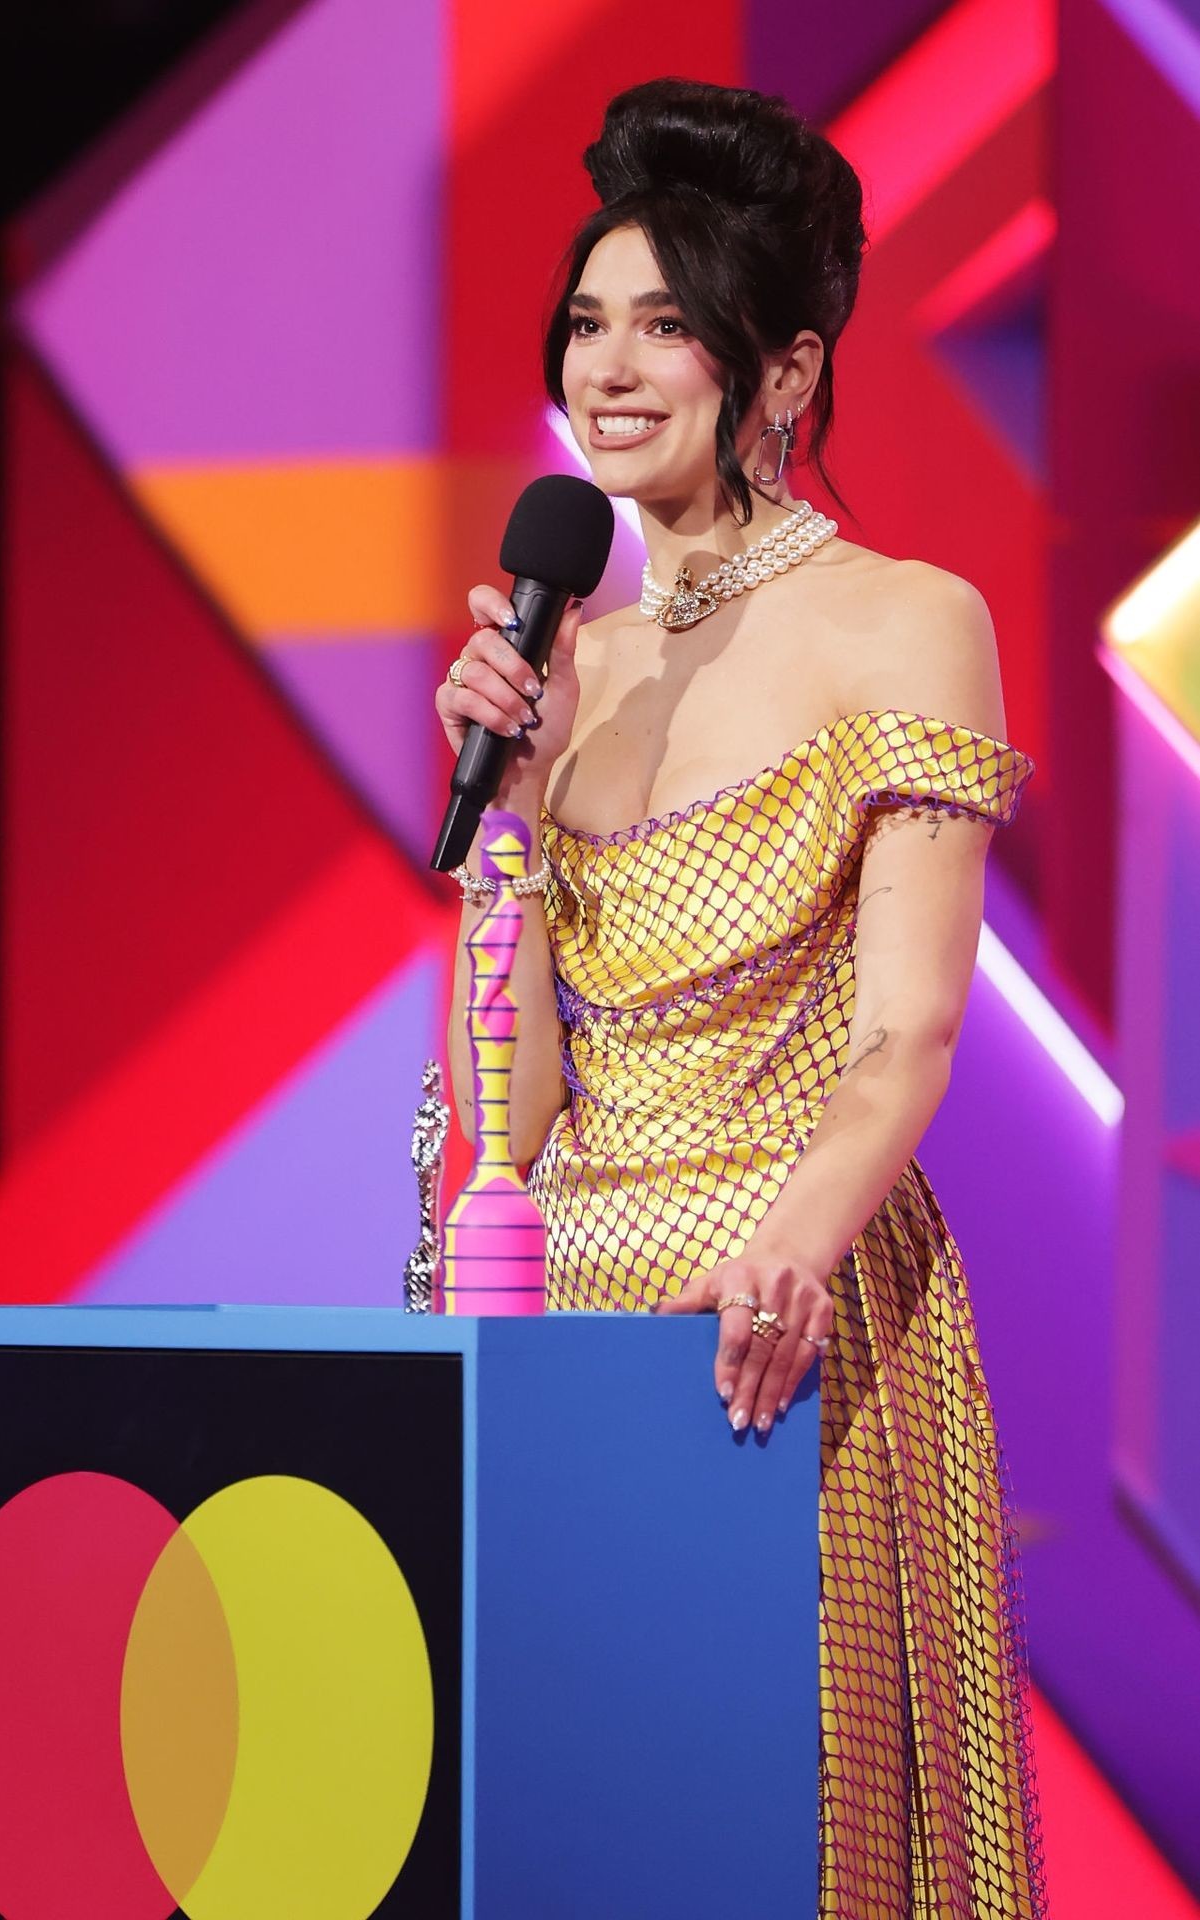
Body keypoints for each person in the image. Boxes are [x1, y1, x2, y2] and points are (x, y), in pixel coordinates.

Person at [435, 77, 1048, 1920]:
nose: (609, 370)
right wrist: (502, 816)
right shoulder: (572, 660)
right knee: (582, 1831)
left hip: (785, 1320)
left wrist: (779, 1261)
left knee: (784, 1834)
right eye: (587, 323)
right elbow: (511, 1105)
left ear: (783, 372)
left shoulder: (906, 619)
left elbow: (905, 1032)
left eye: (666, 325)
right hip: (569, 1319)